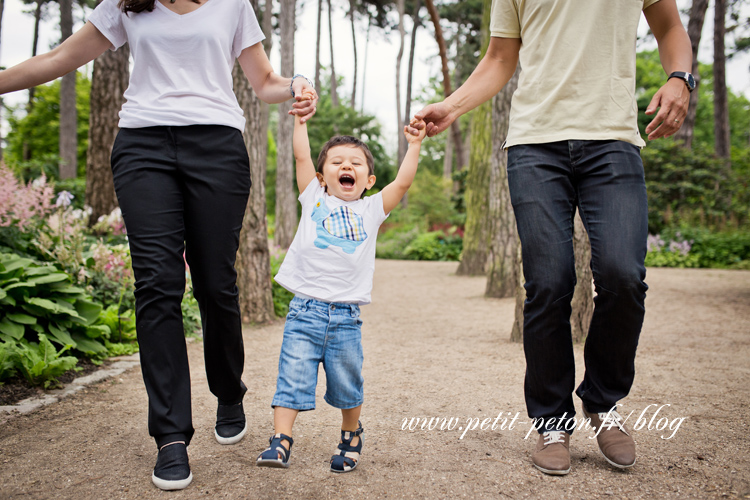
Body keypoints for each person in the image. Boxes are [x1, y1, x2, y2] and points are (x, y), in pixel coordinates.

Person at [0, 0, 317, 490]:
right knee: (157, 283)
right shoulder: (127, 4)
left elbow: (264, 82)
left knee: (215, 281)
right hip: (143, 145)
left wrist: (295, 85)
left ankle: (228, 389)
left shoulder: (233, 4)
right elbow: (58, 59)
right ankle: (170, 436)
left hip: (217, 145)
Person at [410, 0, 692, 476]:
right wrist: (452, 106)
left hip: (613, 141)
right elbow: (501, 57)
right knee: (548, 281)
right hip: (535, 144)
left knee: (624, 276)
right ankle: (552, 422)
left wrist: (679, 79)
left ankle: (604, 404)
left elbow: (669, 27)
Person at [255, 110, 427, 472]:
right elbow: (302, 156)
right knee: (292, 376)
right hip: (304, 311)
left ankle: (351, 433)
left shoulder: (371, 210)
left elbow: (402, 184)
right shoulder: (313, 197)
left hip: (346, 318)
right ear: (322, 176)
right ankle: (281, 440)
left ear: (368, 179)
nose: (345, 166)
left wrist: (414, 145)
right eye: (336, 162)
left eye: (354, 163)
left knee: (348, 383)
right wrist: (300, 122)